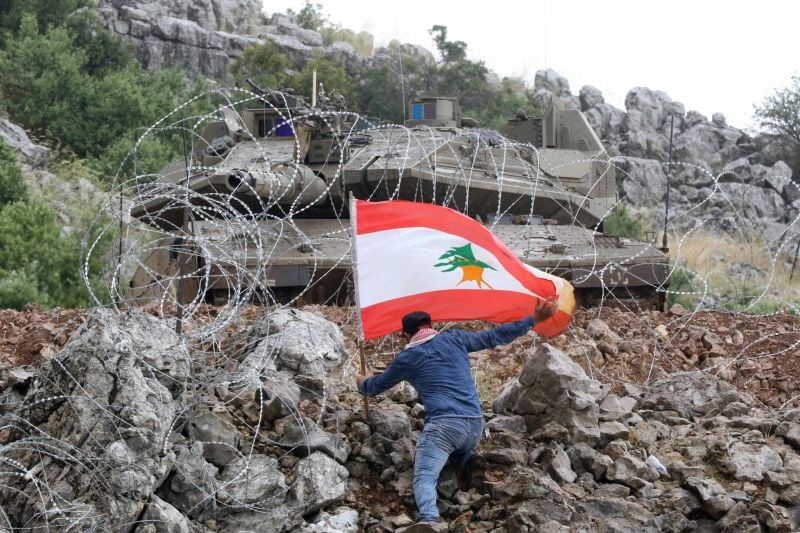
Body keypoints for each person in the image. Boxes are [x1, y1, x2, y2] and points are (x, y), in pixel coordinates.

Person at [357, 300, 558, 528]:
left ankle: (428, 519)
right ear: (430, 325)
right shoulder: (455, 338)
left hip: (445, 427)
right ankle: (469, 462)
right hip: (474, 424)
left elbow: (375, 387)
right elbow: (495, 336)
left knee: (424, 474)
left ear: (405, 335)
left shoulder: (407, 358)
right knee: (457, 449)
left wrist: (362, 382)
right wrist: (532, 319)